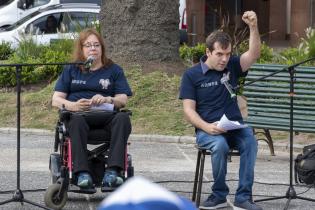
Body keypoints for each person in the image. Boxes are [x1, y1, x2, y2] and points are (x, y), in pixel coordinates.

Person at [179, 11, 262, 210]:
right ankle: (218, 195)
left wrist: (253, 27)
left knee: (250, 140)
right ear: (208, 52)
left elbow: (254, 54)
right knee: (220, 145)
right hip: (208, 130)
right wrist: (206, 127)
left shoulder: (232, 66)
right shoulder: (192, 75)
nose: (224, 59)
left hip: (234, 126)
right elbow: (188, 110)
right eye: (219, 54)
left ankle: (243, 197)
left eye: (227, 54)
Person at [52, 28, 132, 189]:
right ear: (81, 49)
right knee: (76, 120)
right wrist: (73, 105)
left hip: (106, 117)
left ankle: (113, 171)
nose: (93, 48)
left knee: (123, 118)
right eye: (88, 45)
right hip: (80, 116)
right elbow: (56, 99)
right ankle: (82, 173)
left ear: (102, 48)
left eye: (96, 45)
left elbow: (123, 99)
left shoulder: (114, 70)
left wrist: (108, 98)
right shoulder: (72, 69)